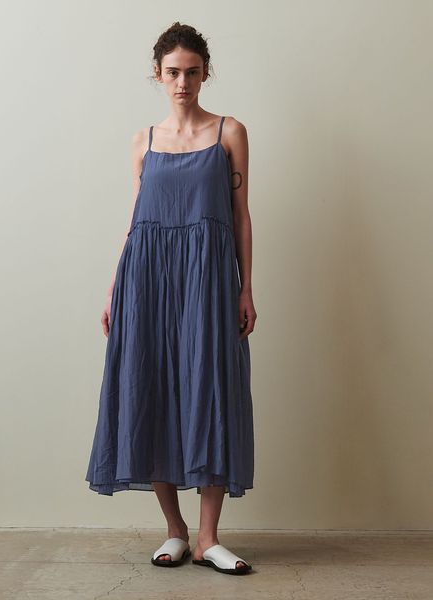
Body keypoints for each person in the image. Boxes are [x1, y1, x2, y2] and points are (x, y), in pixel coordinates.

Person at [85, 22, 257, 576]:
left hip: (208, 280)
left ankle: (208, 537)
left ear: (206, 73)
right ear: (157, 75)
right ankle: (176, 531)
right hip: (147, 279)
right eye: (172, 73)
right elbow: (136, 220)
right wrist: (115, 286)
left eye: (192, 72)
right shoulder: (145, 141)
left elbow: (240, 216)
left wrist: (245, 287)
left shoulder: (229, 132)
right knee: (152, 389)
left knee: (211, 389)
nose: (183, 82)